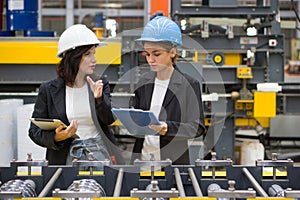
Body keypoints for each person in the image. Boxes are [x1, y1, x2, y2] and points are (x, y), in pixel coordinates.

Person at [29, 24, 123, 166]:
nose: (94, 60)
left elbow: (109, 119)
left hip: (100, 155)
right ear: (73, 57)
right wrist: (58, 137)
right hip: (65, 158)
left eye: (94, 53)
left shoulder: (99, 83)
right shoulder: (49, 90)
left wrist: (99, 99)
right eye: (87, 54)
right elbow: (34, 131)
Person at [130, 16, 206, 166]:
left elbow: (196, 127)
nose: (151, 60)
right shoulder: (143, 83)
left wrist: (167, 128)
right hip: (142, 161)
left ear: (172, 52)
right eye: (147, 54)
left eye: (156, 54)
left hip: (173, 163)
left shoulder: (188, 85)